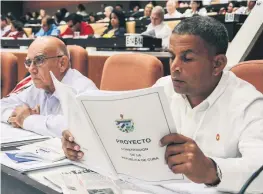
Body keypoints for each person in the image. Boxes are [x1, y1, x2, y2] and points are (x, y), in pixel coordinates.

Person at [61, 16, 263, 192]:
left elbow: (259, 172)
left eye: (187, 58)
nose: (174, 67)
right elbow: (127, 136)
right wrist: (82, 144)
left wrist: (212, 170)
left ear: (217, 64)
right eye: (172, 56)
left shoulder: (248, 104)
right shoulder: (163, 88)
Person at [1, 36, 98, 137]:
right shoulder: (37, 85)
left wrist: (28, 120)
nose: (31, 69)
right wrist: (17, 117)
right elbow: (3, 104)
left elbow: (80, 128)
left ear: (62, 63)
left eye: (39, 60)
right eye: (29, 62)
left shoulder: (82, 89)